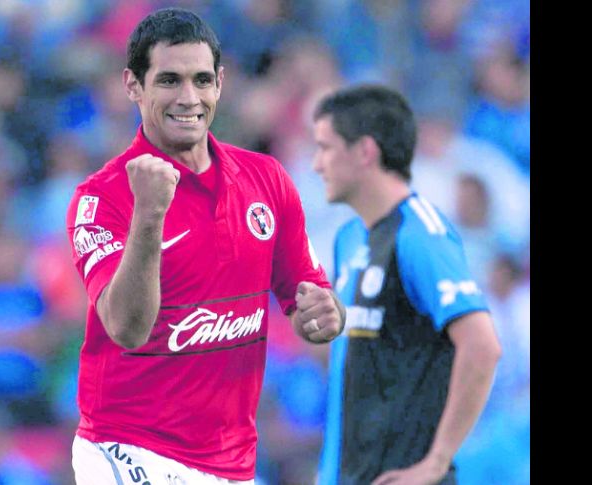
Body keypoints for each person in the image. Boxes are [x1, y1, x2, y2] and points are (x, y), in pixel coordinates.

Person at [65, 8, 345, 485]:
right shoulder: (102, 197)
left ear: (220, 82)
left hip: (231, 463)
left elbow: (308, 303)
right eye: (169, 80)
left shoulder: (267, 179)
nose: (188, 97)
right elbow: (127, 329)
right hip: (128, 449)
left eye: (201, 80)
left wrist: (325, 313)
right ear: (133, 85)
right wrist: (149, 215)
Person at [310, 85, 502, 485]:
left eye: (326, 148)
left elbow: (482, 346)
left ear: (365, 151)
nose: (316, 164)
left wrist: (436, 463)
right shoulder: (349, 238)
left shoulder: (419, 234)